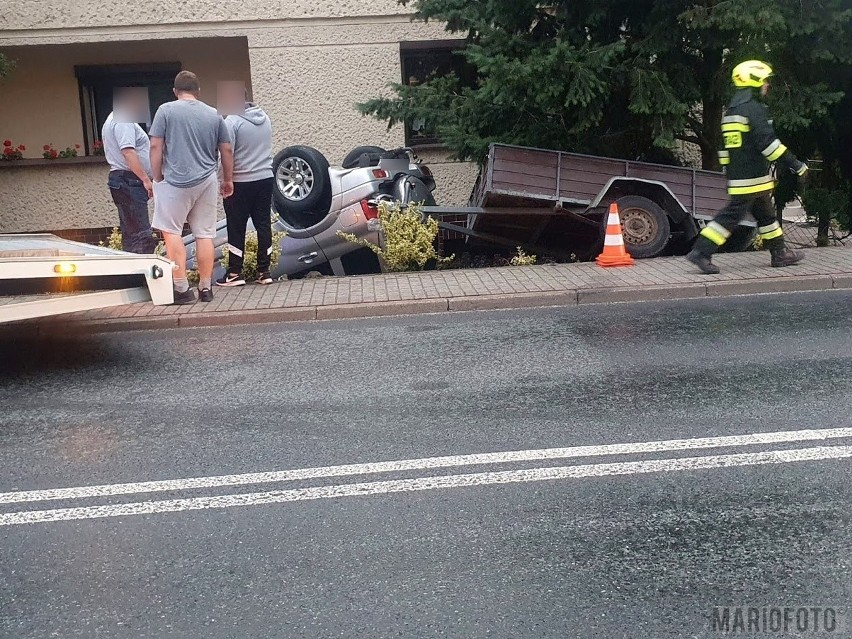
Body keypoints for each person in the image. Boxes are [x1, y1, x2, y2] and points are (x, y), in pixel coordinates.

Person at [686, 60, 808, 275]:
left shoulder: (732, 110)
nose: (767, 85)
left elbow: (724, 149)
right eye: (765, 80)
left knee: (766, 216)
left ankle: (779, 253)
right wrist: (796, 164)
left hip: (746, 178)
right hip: (751, 178)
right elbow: (769, 145)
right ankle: (700, 252)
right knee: (730, 217)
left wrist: (729, 172)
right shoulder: (754, 110)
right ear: (755, 81)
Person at [149, 70, 234, 304]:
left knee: (172, 232)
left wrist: (157, 176)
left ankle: (182, 289)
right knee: (204, 234)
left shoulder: (165, 110)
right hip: (206, 180)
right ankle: (206, 288)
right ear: (199, 92)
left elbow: (156, 145)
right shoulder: (213, 114)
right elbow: (226, 149)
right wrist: (228, 179)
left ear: (175, 91)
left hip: (174, 181)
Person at [216, 93, 275, 287]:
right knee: (263, 224)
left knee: (236, 226)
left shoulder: (232, 121)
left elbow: (227, 152)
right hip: (265, 177)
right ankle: (264, 271)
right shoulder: (265, 118)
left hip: (240, 180)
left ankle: (234, 273)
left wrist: (225, 179)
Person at [101, 89, 158, 254]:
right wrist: (146, 180)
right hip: (130, 180)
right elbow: (128, 151)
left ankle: (133, 271)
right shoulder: (124, 120)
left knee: (131, 232)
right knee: (141, 233)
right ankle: (144, 274)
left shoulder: (111, 119)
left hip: (122, 179)